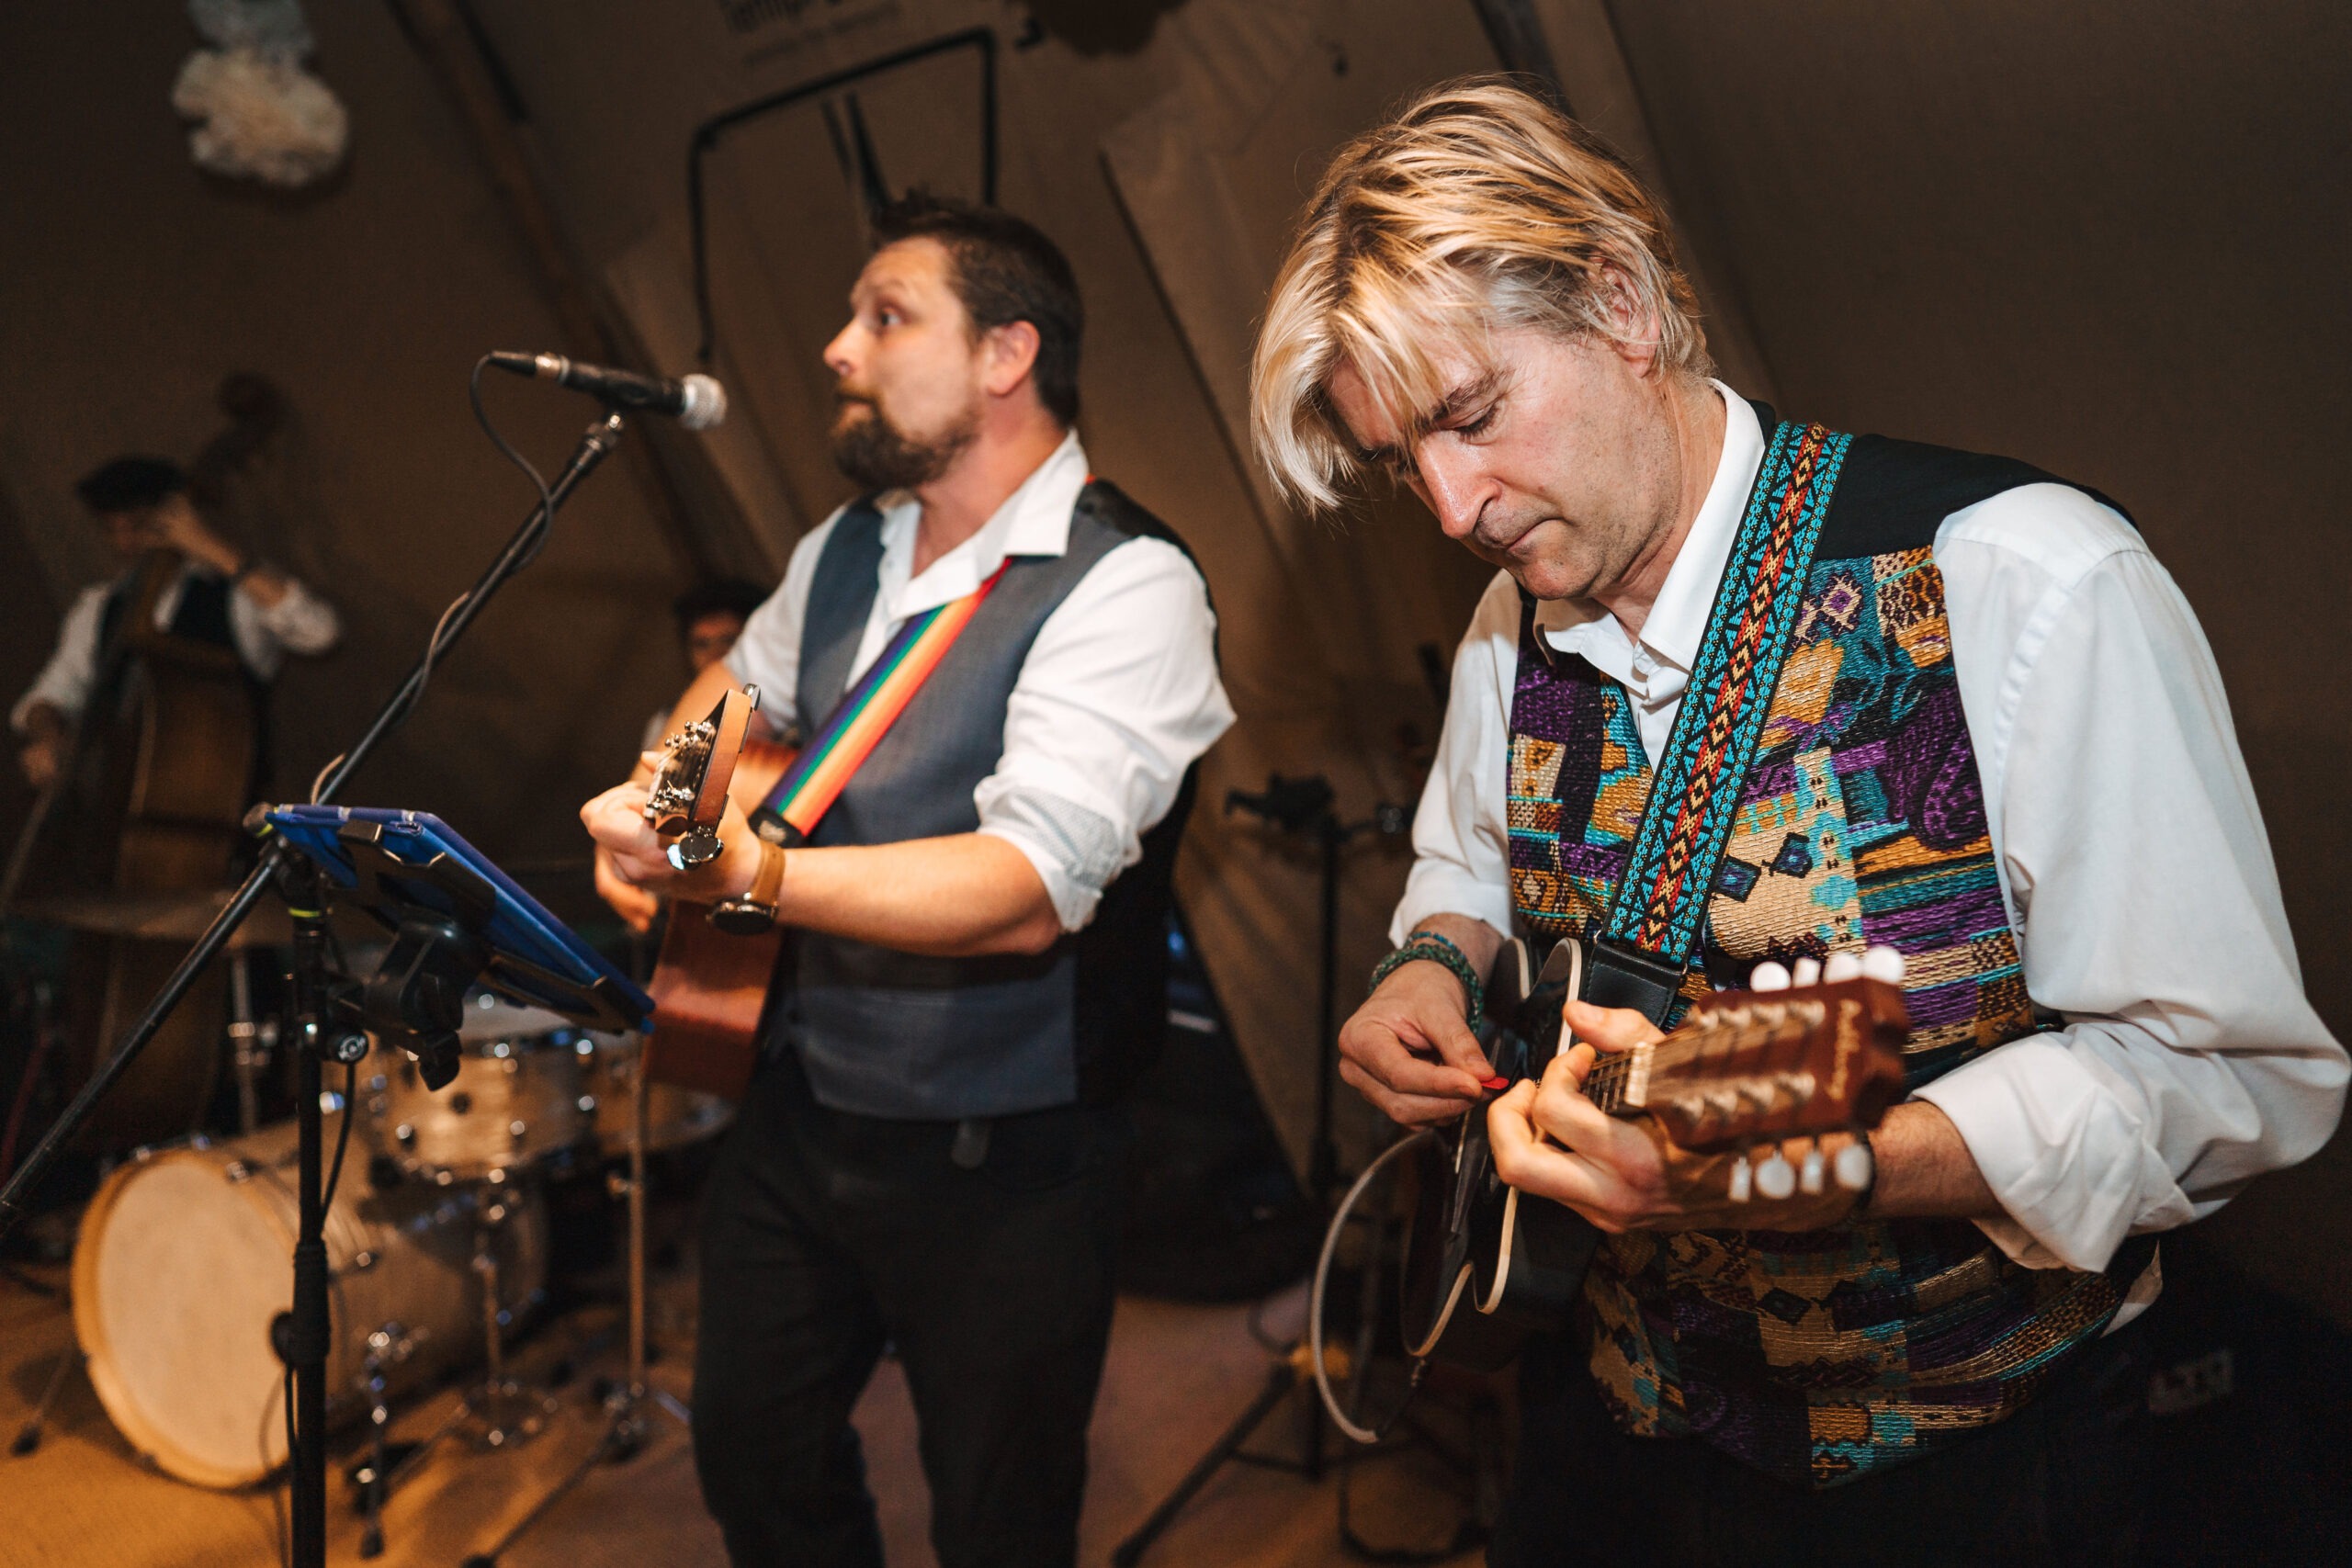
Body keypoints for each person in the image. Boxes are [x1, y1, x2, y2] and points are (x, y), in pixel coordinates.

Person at [1251, 78, 2345, 1566]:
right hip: (1618, 1414)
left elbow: (2220, 1072)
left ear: (1622, 303)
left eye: (1472, 415)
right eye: (1405, 460)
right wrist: (1429, 966)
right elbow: (1471, 862)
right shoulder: (1511, 622)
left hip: (1970, 1460)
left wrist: (1828, 1162)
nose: (1450, 508)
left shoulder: (2023, 582)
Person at [581, 196, 1231, 1567]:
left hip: (1008, 1148)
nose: (838, 346)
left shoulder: (1131, 584)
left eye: (885, 316)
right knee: (751, 1451)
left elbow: (1023, 886)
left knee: (1000, 1513)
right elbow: (734, 692)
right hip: (799, 1099)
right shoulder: (845, 546)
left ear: (1006, 353)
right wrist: (663, 806)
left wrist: (746, 872)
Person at [12, 455, 340, 790]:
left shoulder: (236, 592)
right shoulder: (98, 606)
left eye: (137, 526)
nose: (125, 544)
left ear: (174, 519)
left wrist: (213, 549)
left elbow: (319, 632)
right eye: (112, 530)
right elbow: (51, 694)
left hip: (222, 798)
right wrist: (48, 736)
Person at [639, 578, 770, 753]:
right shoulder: (667, 721)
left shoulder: (784, 710)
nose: (714, 655)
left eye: (728, 641)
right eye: (702, 644)